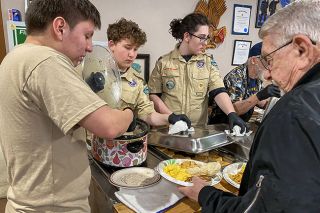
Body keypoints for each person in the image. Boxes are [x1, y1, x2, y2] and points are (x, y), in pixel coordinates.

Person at [178, 1, 320, 212]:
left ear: (301, 50)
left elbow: (262, 208)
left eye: (269, 59)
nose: (268, 74)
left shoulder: (294, 113)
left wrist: (207, 195)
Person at [0, 0, 135, 212]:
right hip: (52, 207)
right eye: (87, 35)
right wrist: (129, 114)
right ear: (60, 27)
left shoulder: (14, 57)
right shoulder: (45, 60)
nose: (90, 47)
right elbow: (108, 126)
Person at [148, 13, 247, 132]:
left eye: (207, 37)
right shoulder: (163, 62)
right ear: (187, 36)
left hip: (197, 131)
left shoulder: (208, 62)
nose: (205, 43)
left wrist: (232, 114)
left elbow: (218, 91)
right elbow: (154, 95)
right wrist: (171, 117)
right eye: (202, 37)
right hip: (168, 128)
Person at [86, 18, 191, 129]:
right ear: (112, 45)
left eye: (135, 49)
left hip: (119, 142)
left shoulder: (137, 82)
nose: (132, 54)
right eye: (127, 47)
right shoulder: (90, 67)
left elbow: (147, 115)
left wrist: (170, 118)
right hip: (90, 140)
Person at [209, 42, 281, 124]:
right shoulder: (235, 77)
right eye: (267, 62)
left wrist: (274, 104)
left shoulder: (257, 77)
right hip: (222, 125)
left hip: (241, 124)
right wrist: (260, 95)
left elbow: (257, 101)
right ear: (254, 60)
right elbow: (234, 110)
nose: (269, 67)